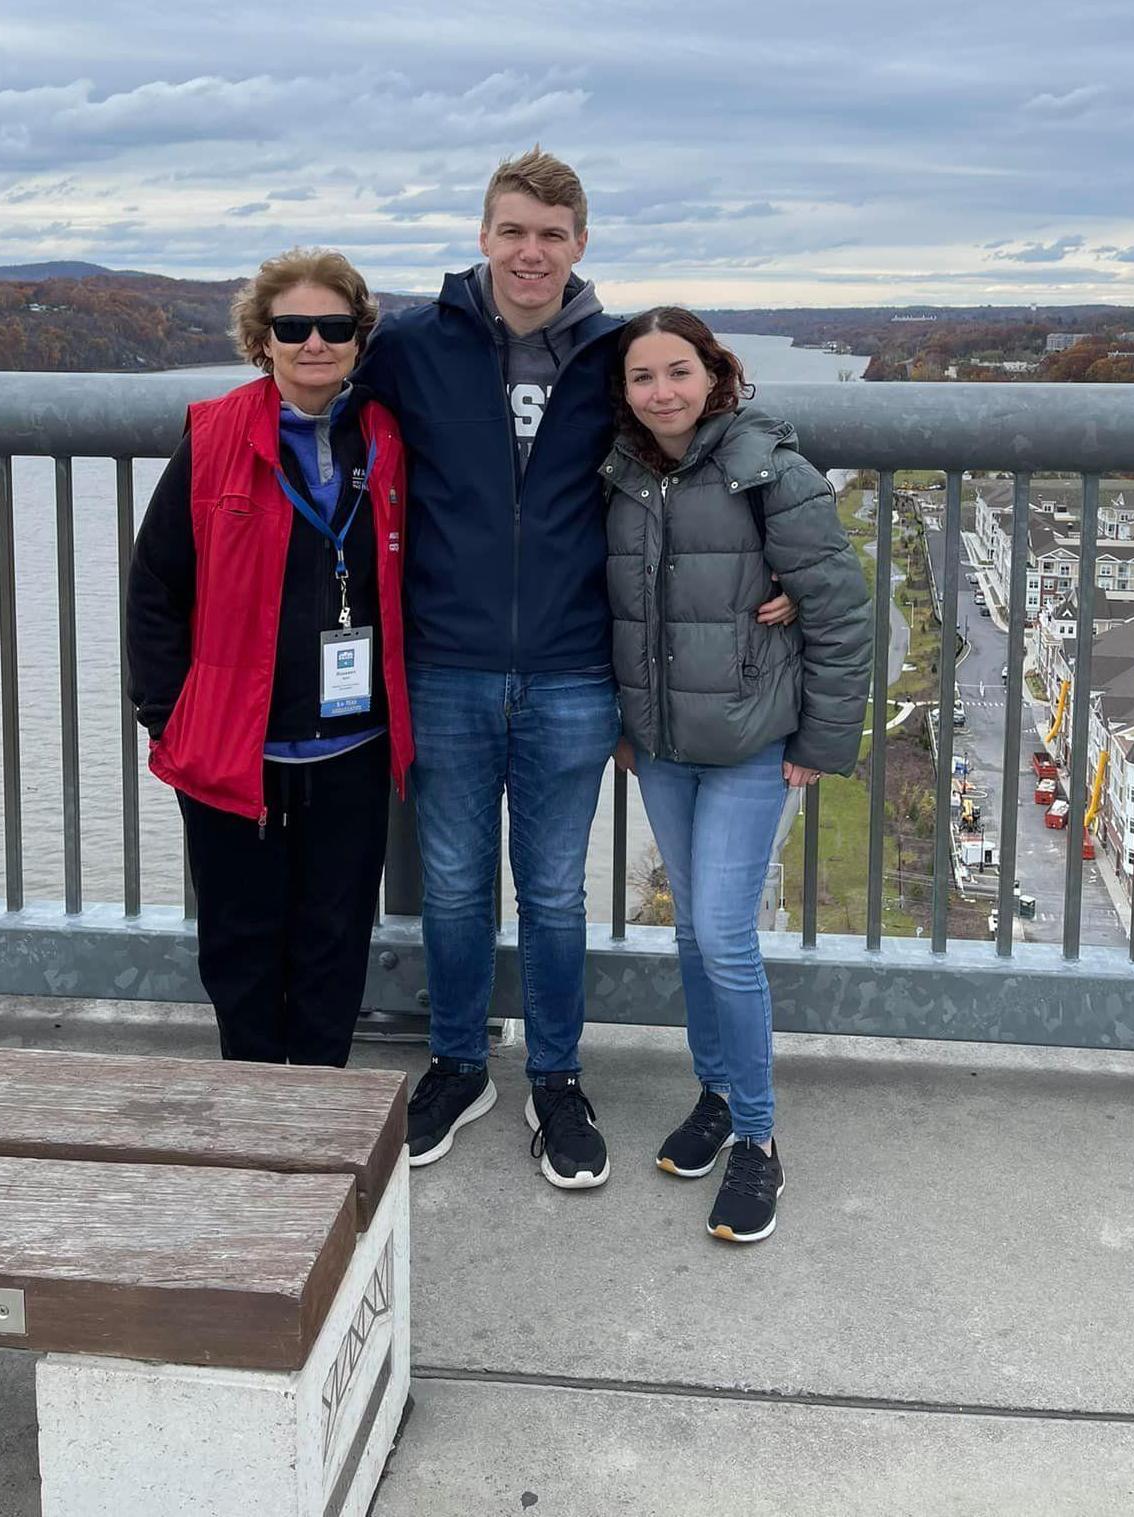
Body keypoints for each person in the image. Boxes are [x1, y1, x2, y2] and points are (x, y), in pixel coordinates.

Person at [359, 149, 793, 1189]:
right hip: (446, 661)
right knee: (457, 888)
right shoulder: (413, 344)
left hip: (570, 668)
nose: (530, 251)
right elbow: (319, 415)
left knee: (553, 891)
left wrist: (782, 551)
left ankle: (557, 1079)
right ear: (482, 236)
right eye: (512, 230)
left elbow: (719, 431)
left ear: (580, 245)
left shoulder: (613, 353)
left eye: (552, 234)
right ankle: (460, 1064)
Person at [604, 307, 871, 1242]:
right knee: (690, 936)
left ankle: (759, 1141)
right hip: (664, 748)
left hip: (755, 742)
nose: (662, 392)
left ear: (715, 374)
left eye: (679, 371)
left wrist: (820, 744)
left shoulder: (772, 471)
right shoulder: (621, 474)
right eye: (643, 378)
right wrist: (626, 726)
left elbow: (842, 614)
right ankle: (715, 1095)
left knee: (723, 934)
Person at [126, 248, 411, 1067]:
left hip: (352, 743)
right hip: (236, 745)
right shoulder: (214, 437)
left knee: (335, 938)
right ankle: (253, 1107)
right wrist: (167, 715)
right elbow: (155, 586)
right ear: (263, 341)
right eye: (294, 327)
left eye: (335, 326)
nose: (314, 342)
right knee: (241, 942)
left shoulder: (388, 439)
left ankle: (318, 1111)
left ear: (359, 339)